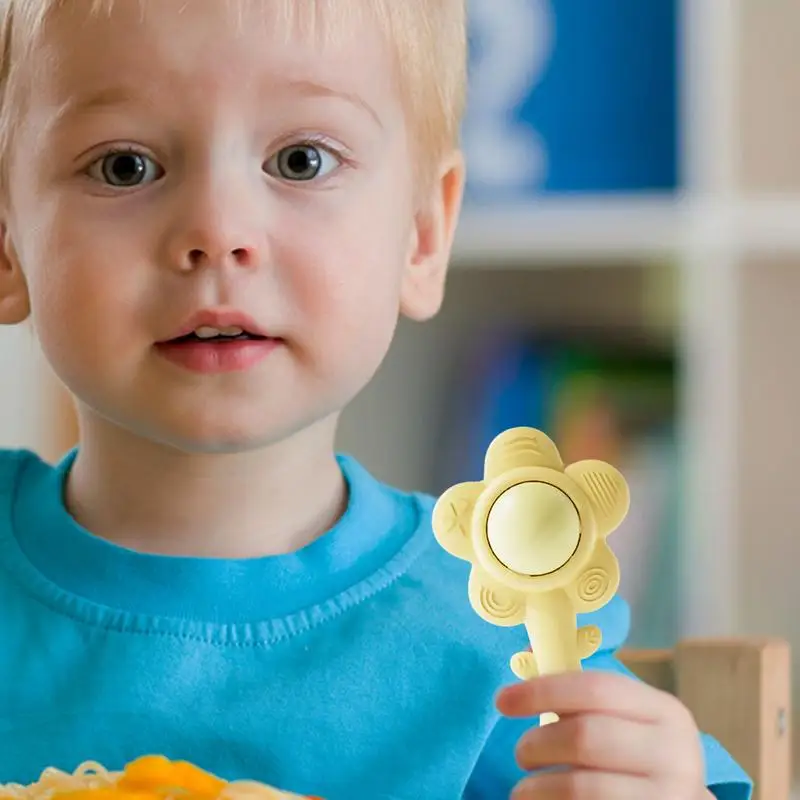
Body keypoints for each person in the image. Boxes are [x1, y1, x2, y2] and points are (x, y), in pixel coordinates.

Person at [0, 1, 751, 798]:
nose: (217, 230)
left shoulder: (513, 631)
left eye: (300, 162)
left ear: (424, 232)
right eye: (125, 166)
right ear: (8, 240)